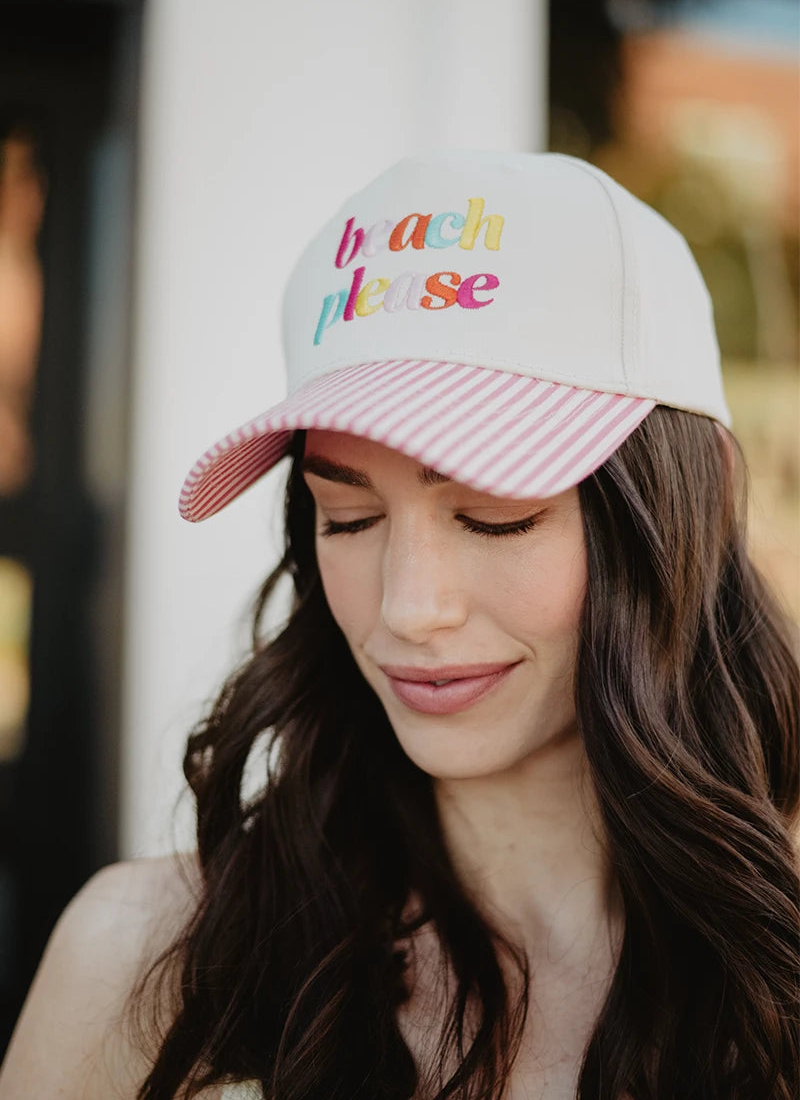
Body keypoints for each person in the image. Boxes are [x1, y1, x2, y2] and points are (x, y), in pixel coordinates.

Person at [0, 151, 797, 1100]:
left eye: (496, 515)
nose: (409, 609)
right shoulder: (138, 960)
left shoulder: (772, 964)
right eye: (350, 519)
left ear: (687, 505)